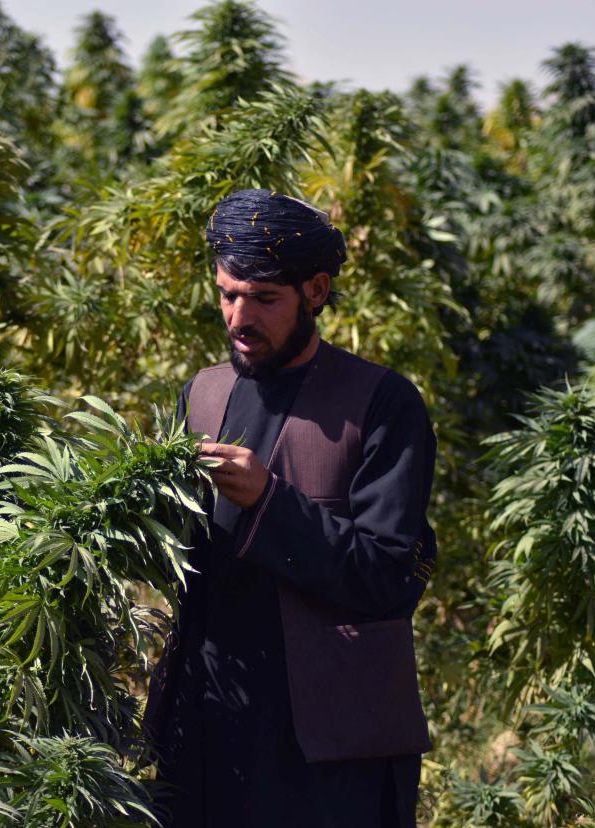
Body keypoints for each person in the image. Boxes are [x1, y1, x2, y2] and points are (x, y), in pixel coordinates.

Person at [144, 189, 438, 827]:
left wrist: (270, 502)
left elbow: (388, 576)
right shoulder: (200, 394)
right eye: (227, 294)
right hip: (208, 726)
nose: (239, 317)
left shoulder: (383, 404)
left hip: (330, 752)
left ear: (317, 290)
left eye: (264, 299)